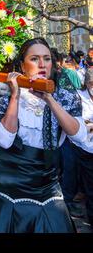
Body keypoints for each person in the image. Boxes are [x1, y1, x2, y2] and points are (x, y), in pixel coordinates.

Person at [0, 38, 87, 233]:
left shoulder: (63, 94)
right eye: (34, 59)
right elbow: (4, 139)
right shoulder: (6, 92)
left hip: (48, 189)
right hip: (8, 189)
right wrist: (15, 96)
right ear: (22, 65)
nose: (41, 64)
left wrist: (50, 100)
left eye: (46, 59)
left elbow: (79, 135)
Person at [71, 68, 93, 229]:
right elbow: (76, 123)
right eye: (92, 84)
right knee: (90, 188)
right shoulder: (79, 96)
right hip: (86, 148)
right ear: (86, 83)